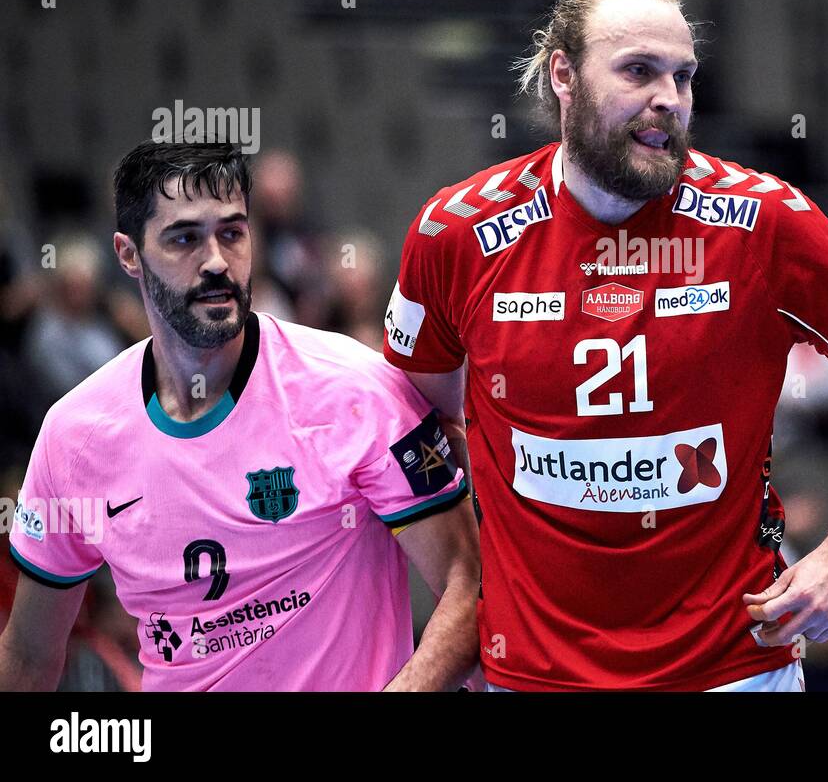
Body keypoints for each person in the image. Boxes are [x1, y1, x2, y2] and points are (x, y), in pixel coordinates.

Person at [383, 0, 828, 691]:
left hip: (735, 669)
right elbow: (419, 417)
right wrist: (470, 595)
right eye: (639, 71)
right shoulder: (457, 233)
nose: (667, 101)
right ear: (564, 76)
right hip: (536, 676)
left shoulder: (767, 225)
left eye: (683, 77)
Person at [0, 141, 480, 691]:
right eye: (184, 238)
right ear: (128, 254)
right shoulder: (74, 435)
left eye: (232, 233)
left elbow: (466, 585)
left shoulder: (357, 391)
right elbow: (30, 656)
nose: (216, 262)